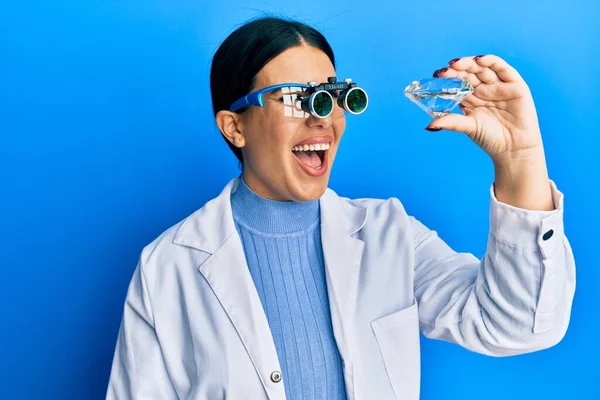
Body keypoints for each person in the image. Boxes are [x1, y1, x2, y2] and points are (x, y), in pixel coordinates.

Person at [106, 16, 576, 400]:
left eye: (332, 95)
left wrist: (520, 158)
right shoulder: (169, 266)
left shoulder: (388, 234)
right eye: (295, 98)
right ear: (234, 127)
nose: (322, 116)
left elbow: (518, 326)